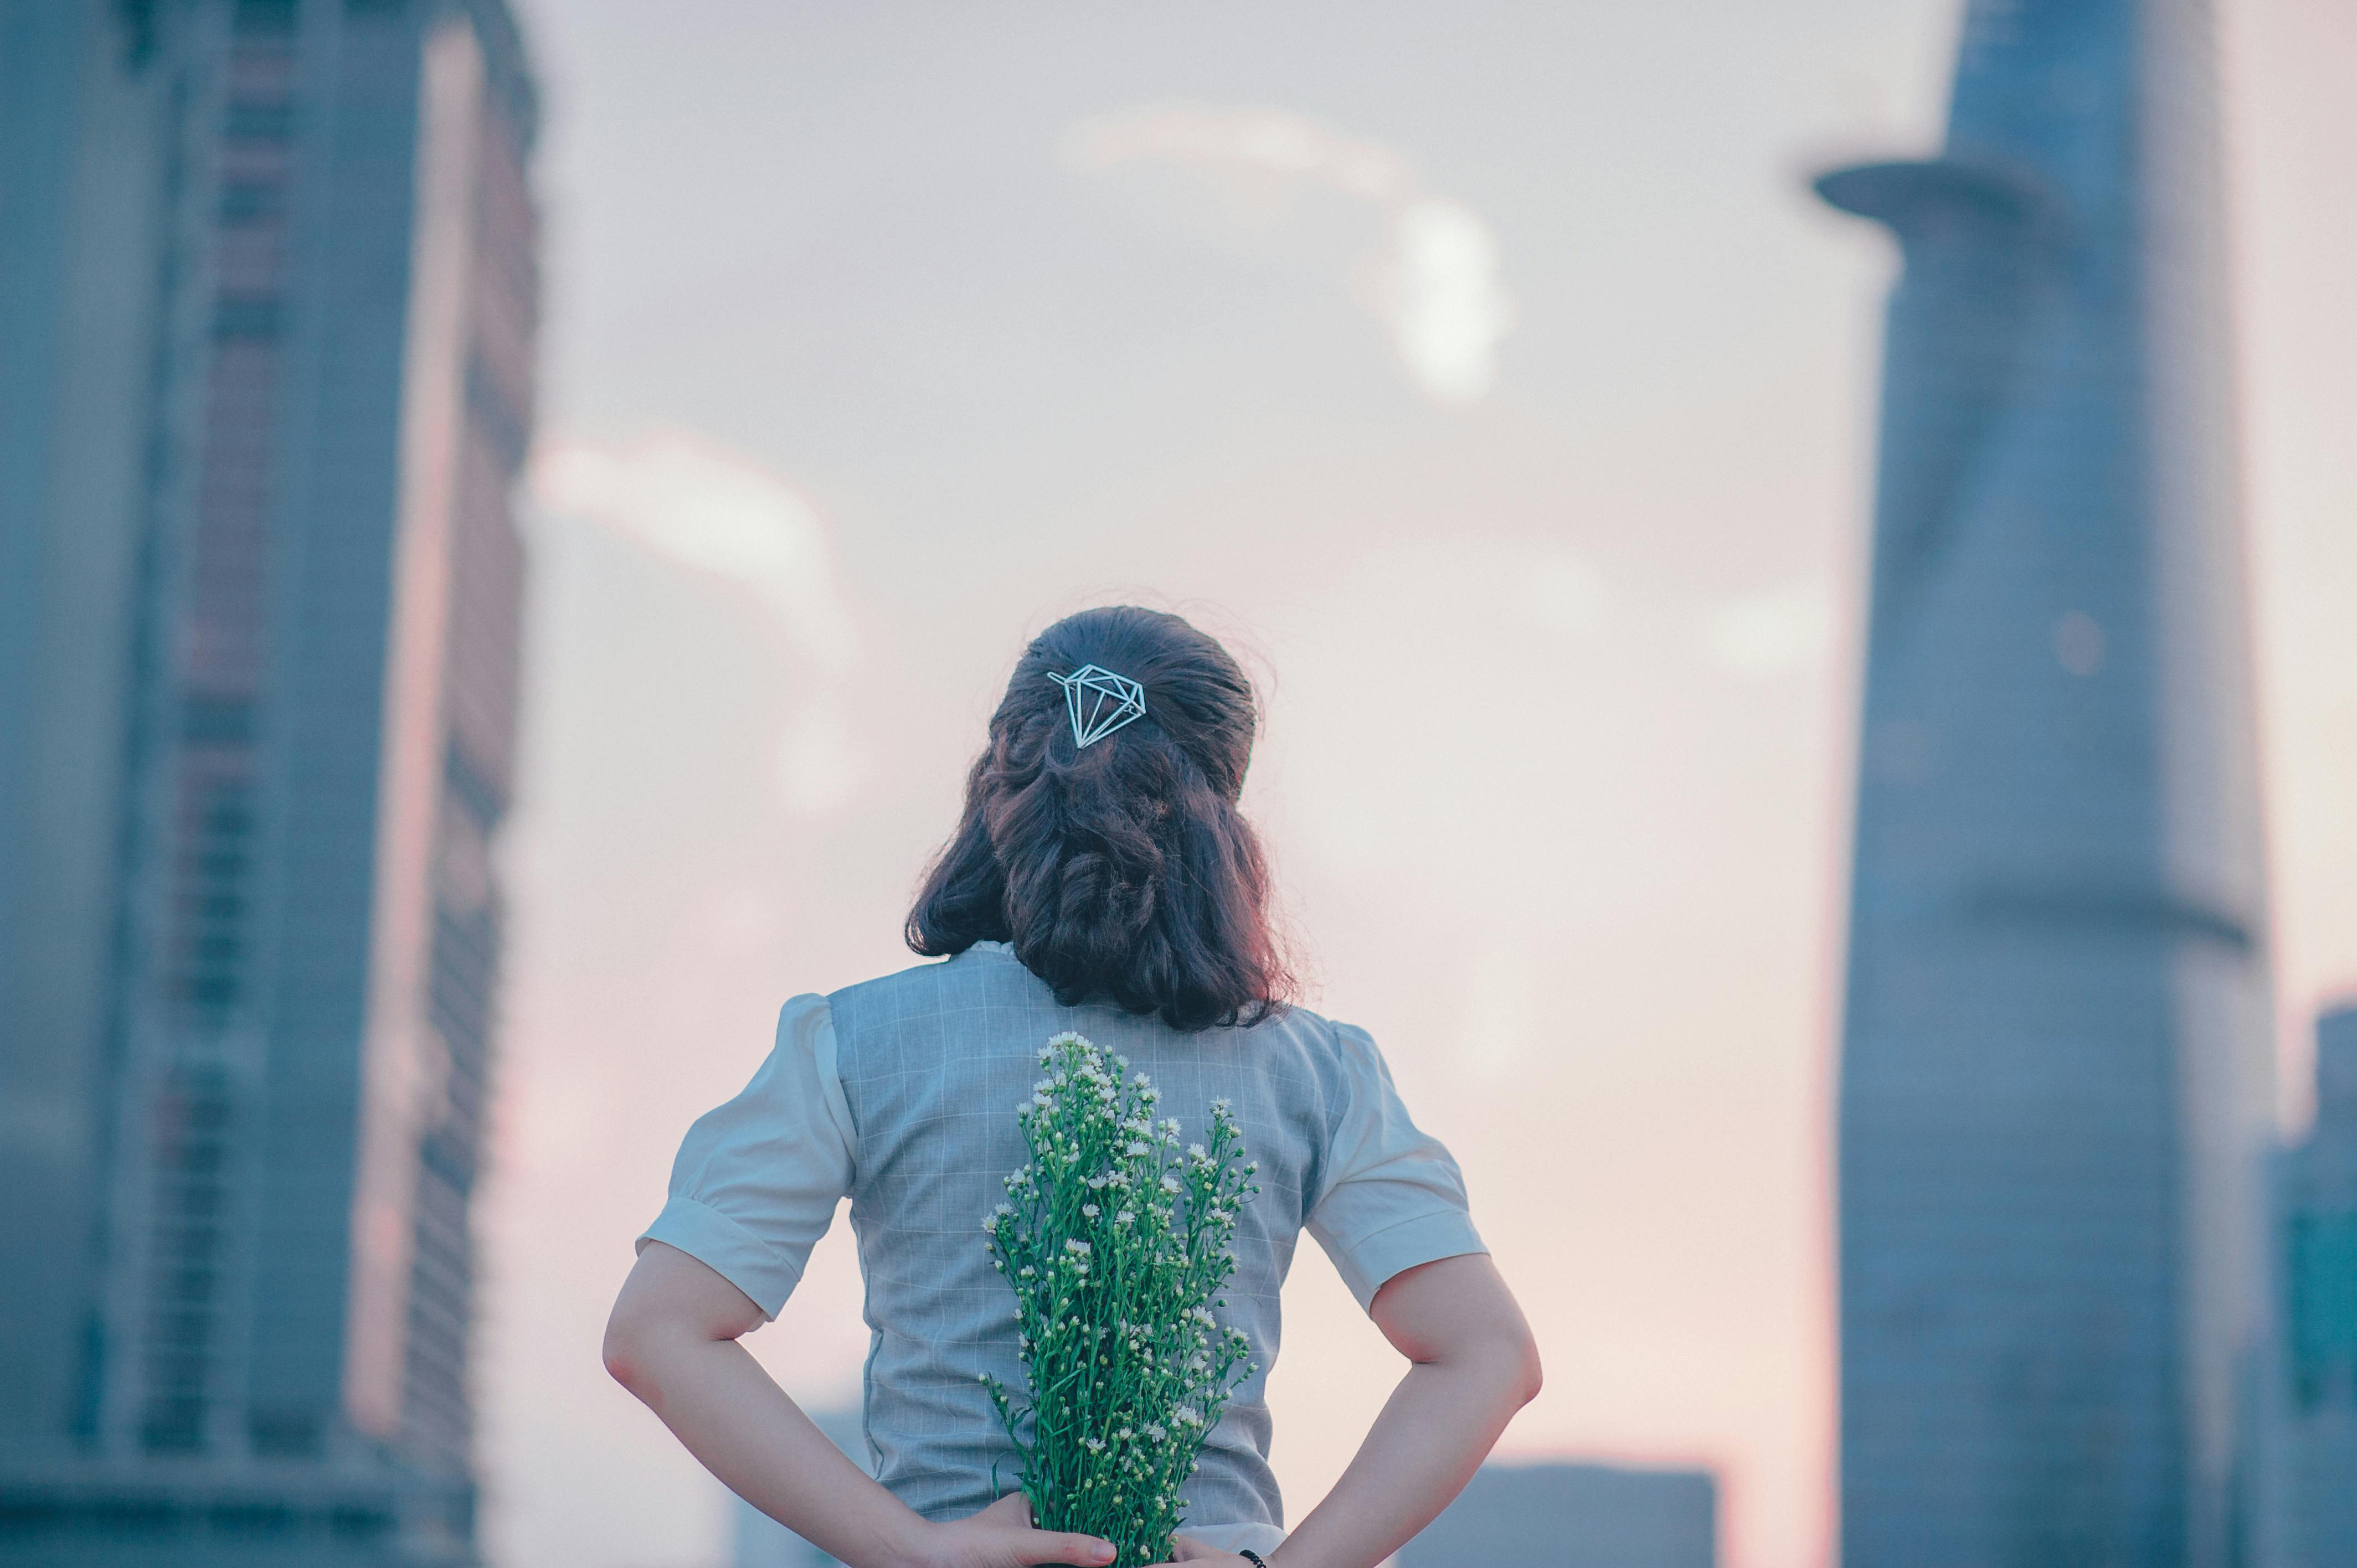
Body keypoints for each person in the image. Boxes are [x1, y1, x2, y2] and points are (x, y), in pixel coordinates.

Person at [603, 605, 1541, 1568]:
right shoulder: (1321, 1071)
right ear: (1224, 818)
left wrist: (913, 1550)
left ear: (998, 782)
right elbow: (1488, 1355)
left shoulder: (850, 1041)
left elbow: (657, 1331)